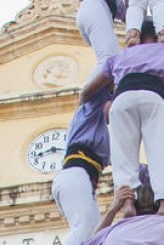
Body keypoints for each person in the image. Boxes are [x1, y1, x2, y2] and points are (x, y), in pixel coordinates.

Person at [79, 20, 164, 220]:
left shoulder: (121, 56)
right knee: (161, 152)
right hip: (153, 97)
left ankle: (128, 202)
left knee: (123, 156)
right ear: (156, 37)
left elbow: (87, 92)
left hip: (122, 100)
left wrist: (102, 99)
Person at [52, 83, 113, 245]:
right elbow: (102, 77)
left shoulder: (104, 135)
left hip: (81, 180)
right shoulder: (91, 110)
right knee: (85, 227)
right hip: (75, 174)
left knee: (95, 234)